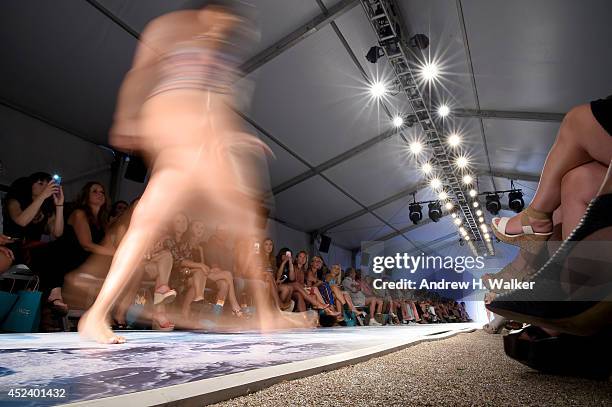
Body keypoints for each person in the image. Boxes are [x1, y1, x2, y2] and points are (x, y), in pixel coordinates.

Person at [79, 4, 272, 343]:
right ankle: (96, 313)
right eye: (223, 23)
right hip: (176, 133)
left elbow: (218, 107)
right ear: (211, 9)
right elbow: (140, 73)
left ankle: (268, 317)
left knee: (241, 216)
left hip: (202, 142)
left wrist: (232, 138)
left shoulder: (219, 59)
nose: (223, 33)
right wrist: (126, 117)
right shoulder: (170, 28)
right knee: (145, 225)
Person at [44, 181, 111, 313]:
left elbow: (105, 246)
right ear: (86, 196)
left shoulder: (103, 221)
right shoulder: (79, 213)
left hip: (84, 259)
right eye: (94, 191)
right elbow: (86, 245)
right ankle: (55, 296)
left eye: (102, 191)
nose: (100, 194)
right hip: (65, 256)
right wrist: (117, 252)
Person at [2, 173, 64, 265]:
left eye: (48, 184)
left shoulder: (46, 208)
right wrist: (43, 196)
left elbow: (57, 233)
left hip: (26, 251)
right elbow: (22, 221)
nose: (46, 187)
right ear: (29, 186)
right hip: (6, 246)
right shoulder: (14, 201)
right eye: (40, 183)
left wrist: (59, 205)